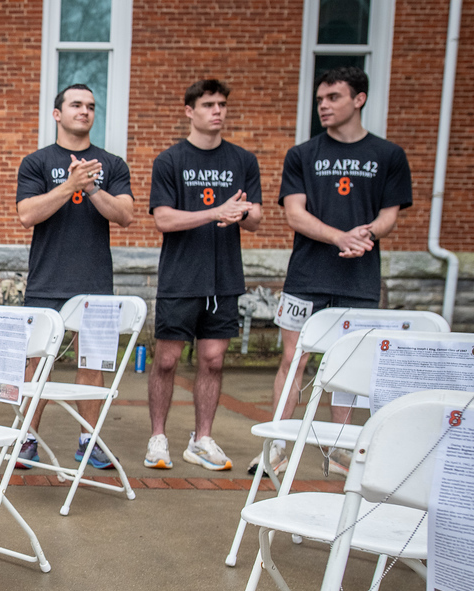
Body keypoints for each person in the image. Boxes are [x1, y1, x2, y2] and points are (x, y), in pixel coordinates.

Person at [256, 66, 412, 477]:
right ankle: (276, 447)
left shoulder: (388, 155)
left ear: (359, 99)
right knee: (294, 359)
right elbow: (295, 213)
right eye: (320, 99)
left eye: (333, 97)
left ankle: (339, 449)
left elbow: (390, 215)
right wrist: (340, 237)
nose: (323, 106)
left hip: (359, 280)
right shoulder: (302, 154)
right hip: (306, 276)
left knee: (349, 365)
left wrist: (365, 234)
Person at [144, 79, 262, 471]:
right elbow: (163, 219)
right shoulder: (170, 160)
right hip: (180, 277)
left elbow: (256, 218)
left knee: (213, 360)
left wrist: (242, 212)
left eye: (222, 104)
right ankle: (158, 438)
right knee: (166, 360)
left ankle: (202, 439)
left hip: (223, 277)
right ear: (189, 111)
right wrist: (215, 212)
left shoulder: (243, 160)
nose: (217, 111)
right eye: (209, 104)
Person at [16, 83, 134, 469]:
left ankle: (89, 440)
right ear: (57, 114)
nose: (84, 111)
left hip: (94, 283)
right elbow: (27, 214)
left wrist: (92, 188)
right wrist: (70, 185)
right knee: (38, 364)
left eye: (91, 106)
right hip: (47, 280)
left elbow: (126, 215)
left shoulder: (112, 164)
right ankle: (26, 439)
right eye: (76, 105)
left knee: (92, 365)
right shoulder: (36, 162)